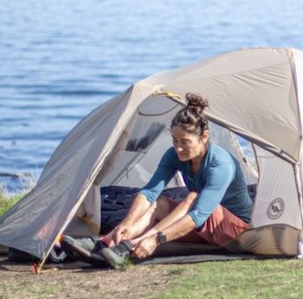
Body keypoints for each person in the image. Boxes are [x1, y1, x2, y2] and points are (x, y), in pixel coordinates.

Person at [62, 93, 253, 268]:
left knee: (193, 197)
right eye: (174, 140)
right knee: (160, 203)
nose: (178, 148)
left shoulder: (220, 164)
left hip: (236, 233)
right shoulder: (174, 155)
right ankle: (108, 242)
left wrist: (156, 239)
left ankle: (129, 246)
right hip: (203, 227)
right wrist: (126, 223)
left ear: (204, 137)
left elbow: (199, 215)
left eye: (185, 142)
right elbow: (149, 192)